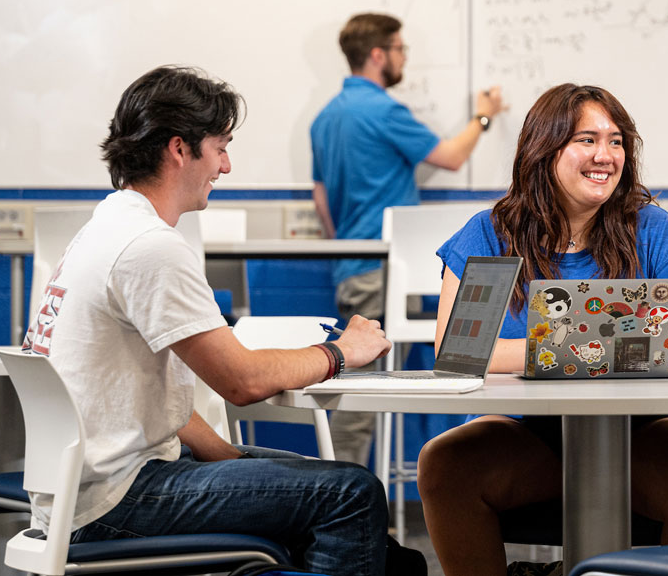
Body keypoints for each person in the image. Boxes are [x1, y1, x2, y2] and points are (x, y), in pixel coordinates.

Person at [21, 65, 394, 575]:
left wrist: (229, 457)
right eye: (220, 147)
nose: (226, 165)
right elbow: (242, 382)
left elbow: (146, 399)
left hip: (89, 487)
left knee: (322, 484)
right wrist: (340, 352)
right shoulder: (148, 248)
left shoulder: (105, 226)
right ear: (180, 149)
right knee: (351, 493)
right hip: (114, 499)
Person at [416, 83, 668, 576]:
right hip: (527, 436)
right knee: (444, 463)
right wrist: (580, 350)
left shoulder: (653, 229)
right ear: (546, 147)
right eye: (587, 139)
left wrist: (569, 350)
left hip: (641, 434)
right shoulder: (491, 233)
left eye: (617, 141)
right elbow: (459, 351)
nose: (605, 155)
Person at [311, 11, 506, 465]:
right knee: (358, 403)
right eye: (400, 49)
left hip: (350, 264)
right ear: (378, 55)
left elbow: (322, 200)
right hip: (380, 273)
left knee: (352, 386)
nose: (404, 59)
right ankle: (337, 497)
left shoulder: (325, 118)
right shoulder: (384, 111)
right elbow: (451, 157)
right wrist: (483, 116)